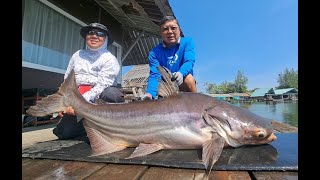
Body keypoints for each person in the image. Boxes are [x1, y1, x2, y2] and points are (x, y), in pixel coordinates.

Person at [52, 22, 125, 142]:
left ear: (105, 39)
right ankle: (90, 126)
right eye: (91, 32)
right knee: (63, 133)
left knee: (112, 94)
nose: (95, 36)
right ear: (86, 36)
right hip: (77, 96)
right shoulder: (77, 55)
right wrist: (66, 102)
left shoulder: (110, 59)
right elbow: (67, 80)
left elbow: (103, 84)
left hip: (99, 99)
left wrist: (79, 103)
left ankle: (111, 127)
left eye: (100, 34)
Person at [143, 16, 197, 100]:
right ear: (160, 33)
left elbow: (189, 61)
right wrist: (150, 94)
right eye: (165, 29)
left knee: (189, 79)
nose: (170, 32)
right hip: (166, 87)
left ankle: (194, 104)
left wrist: (181, 73)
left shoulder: (187, 42)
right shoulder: (154, 53)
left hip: (183, 83)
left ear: (179, 30)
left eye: (173, 28)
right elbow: (155, 74)